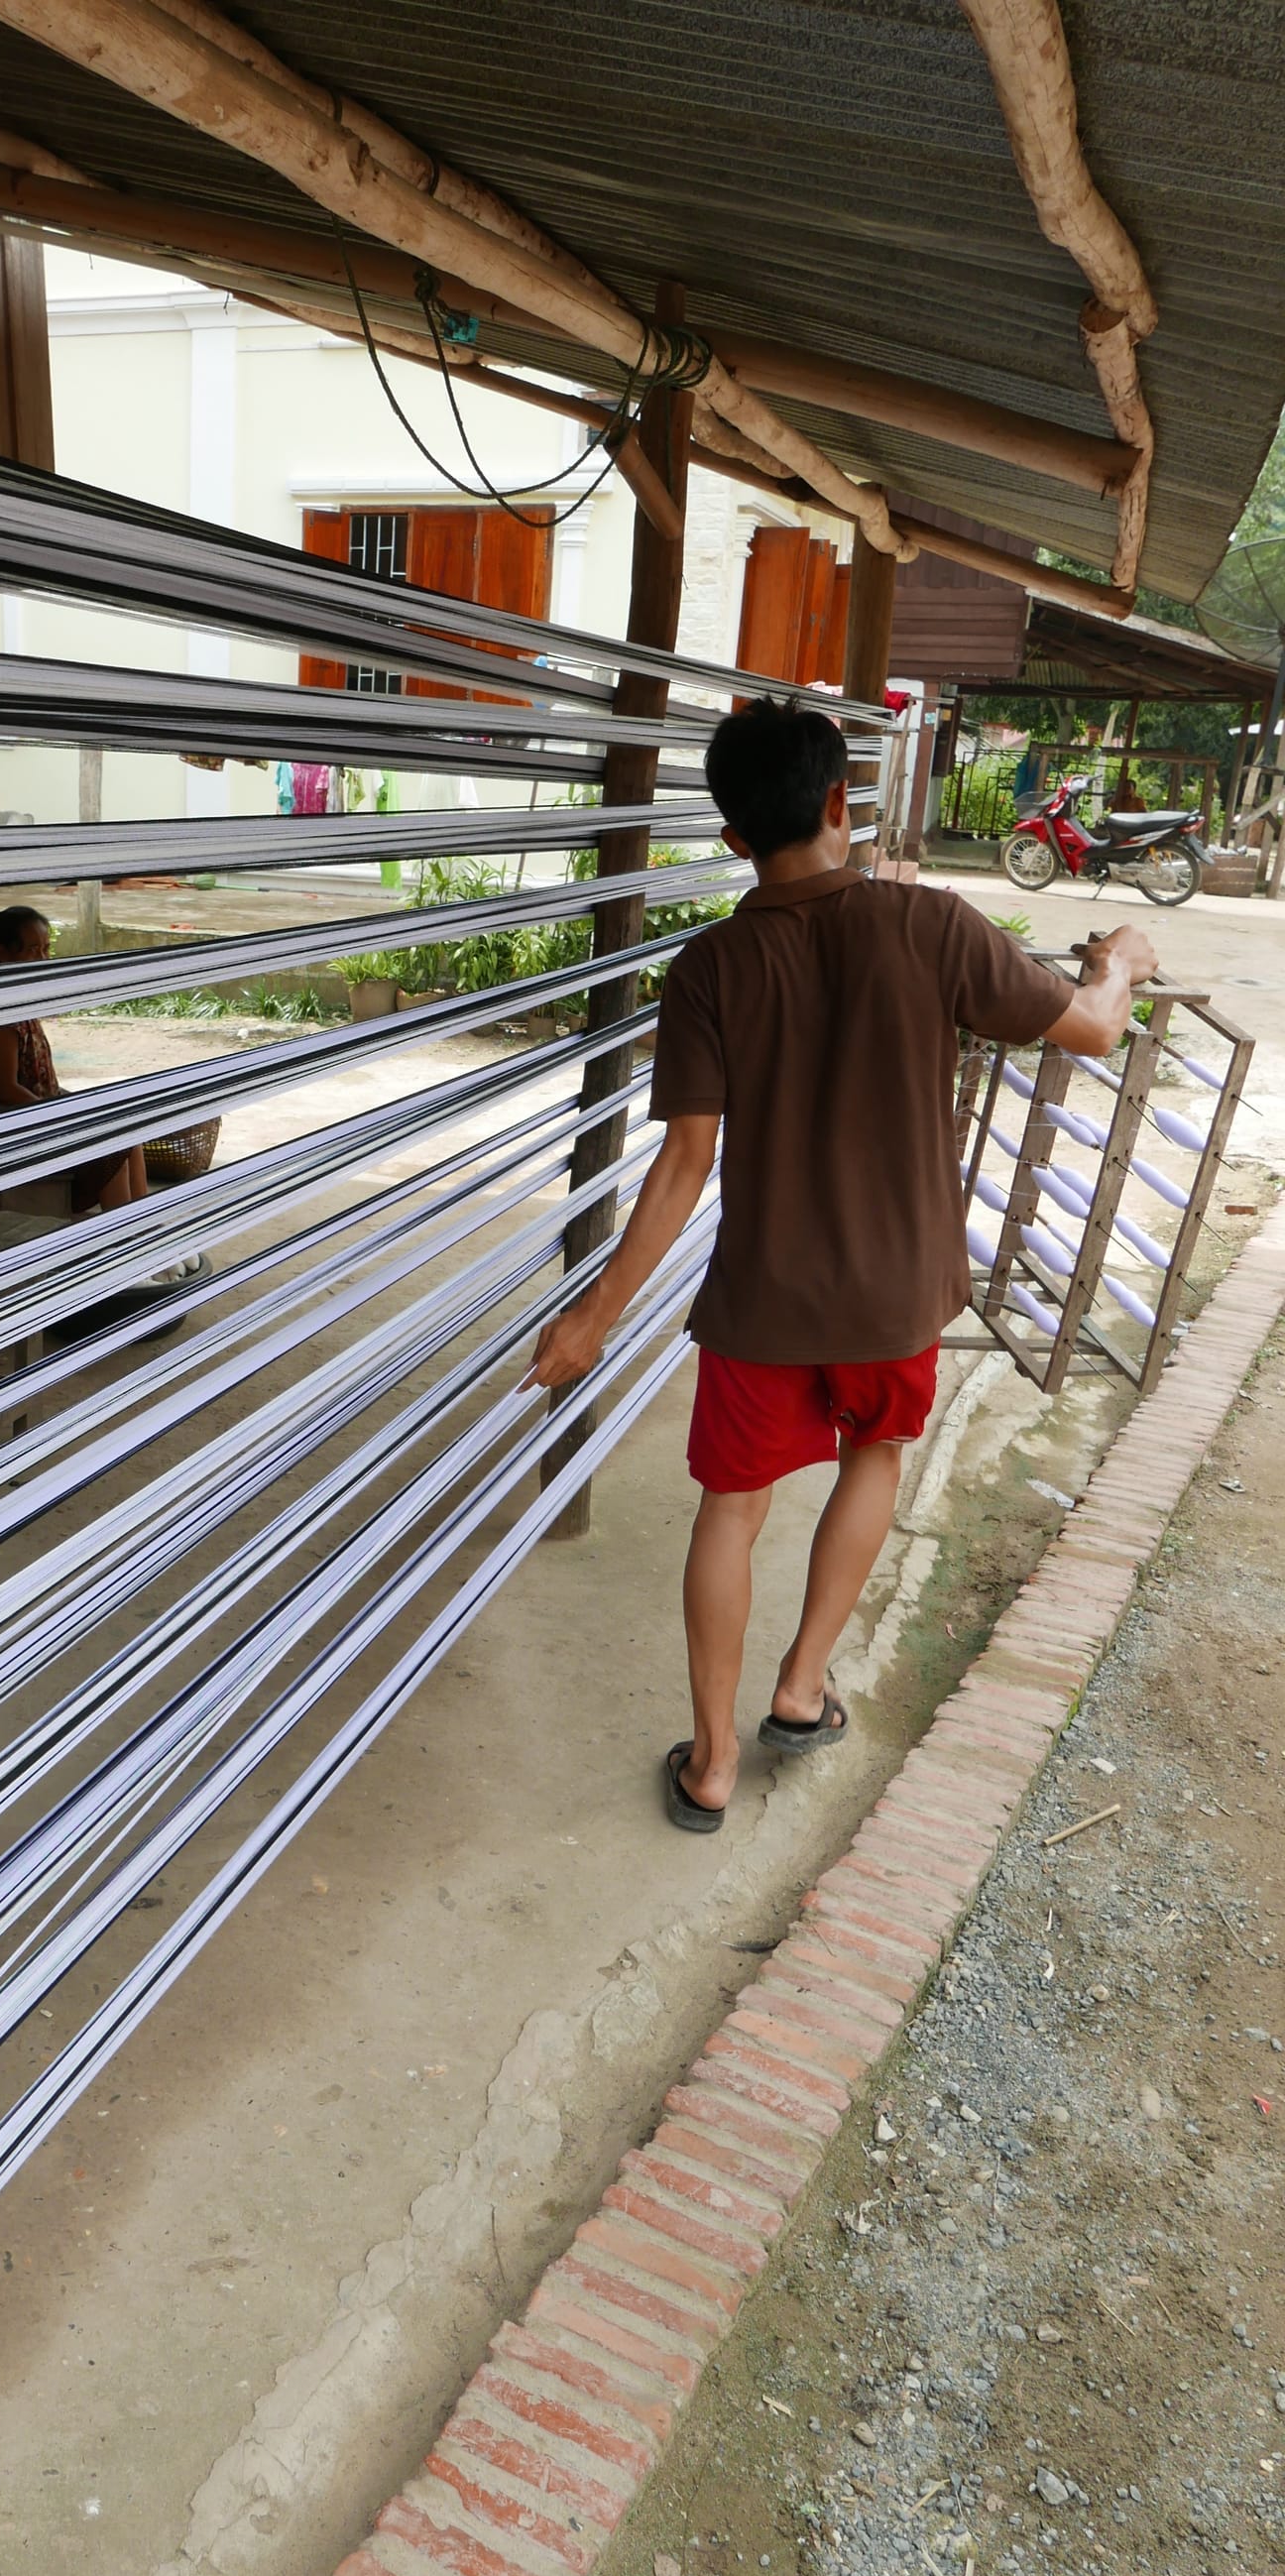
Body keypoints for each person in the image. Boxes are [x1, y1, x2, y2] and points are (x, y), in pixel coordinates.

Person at [527, 698, 1155, 1835]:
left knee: (729, 1507)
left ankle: (710, 1761)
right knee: (872, 1455)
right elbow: (1094, 1029)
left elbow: (681, 1161)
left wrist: (592, 1316)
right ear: (837, 805)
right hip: (893, 1293)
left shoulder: (710, 965)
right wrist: (1122, 958)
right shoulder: (930, 925)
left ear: (732, 839)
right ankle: (801, 1687)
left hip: (762, 1302)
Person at [0, 904, 203, 1274]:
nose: (44, 958)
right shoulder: (0, 1014)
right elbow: (6, 1089)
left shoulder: (20, 1001)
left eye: (46, 949)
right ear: (4, 953)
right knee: (110, 1148)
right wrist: (63, 1118)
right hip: (12, 1127)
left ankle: (146, 1230)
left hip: (40, 1113)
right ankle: (122, 1251)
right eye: (33, 950)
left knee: (128, 1127)